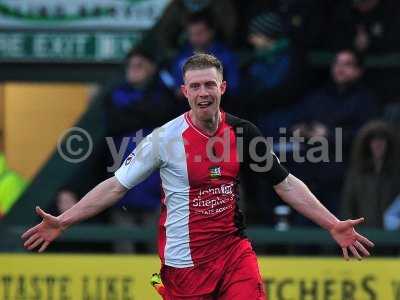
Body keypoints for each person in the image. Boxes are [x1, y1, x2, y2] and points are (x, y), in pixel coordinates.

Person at [22, 54, 374, 299]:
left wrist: (332, 224)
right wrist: (64, 221)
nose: (203, 92)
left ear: (223, 88)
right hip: (183, 264)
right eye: (196, 86)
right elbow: (116, 186)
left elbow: (285, 183)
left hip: (234, 252)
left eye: (210, 84)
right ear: (184, 92)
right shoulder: (162, 139)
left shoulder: (241, 132)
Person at [341, 120, 400, 228]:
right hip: (363, 235)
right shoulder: (356, 175)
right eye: (374, 140)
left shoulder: (396, 174)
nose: (378, 144)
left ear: (388, 144)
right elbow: (348, 207)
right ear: (367, 144)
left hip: (392, 237)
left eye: (382, 140)